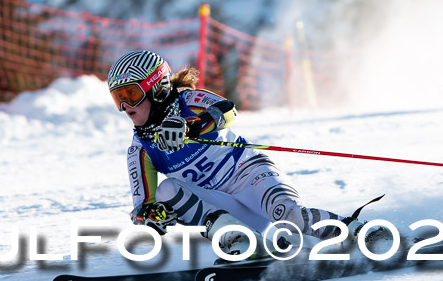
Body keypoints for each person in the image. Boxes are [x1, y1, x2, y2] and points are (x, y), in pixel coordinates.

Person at [107, 49, 372, 260]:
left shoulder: (188, 100)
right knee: (166, 191)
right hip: (223, 205)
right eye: (118, 98)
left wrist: (193, 126)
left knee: (288, 215)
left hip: (248, 175)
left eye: (131, 93)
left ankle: (360, 233)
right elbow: (143, 205)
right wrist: (152, 216)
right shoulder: (140, 149)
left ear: (157, 87)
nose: (125, 106)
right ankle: (246, 243)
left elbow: (227, 110)